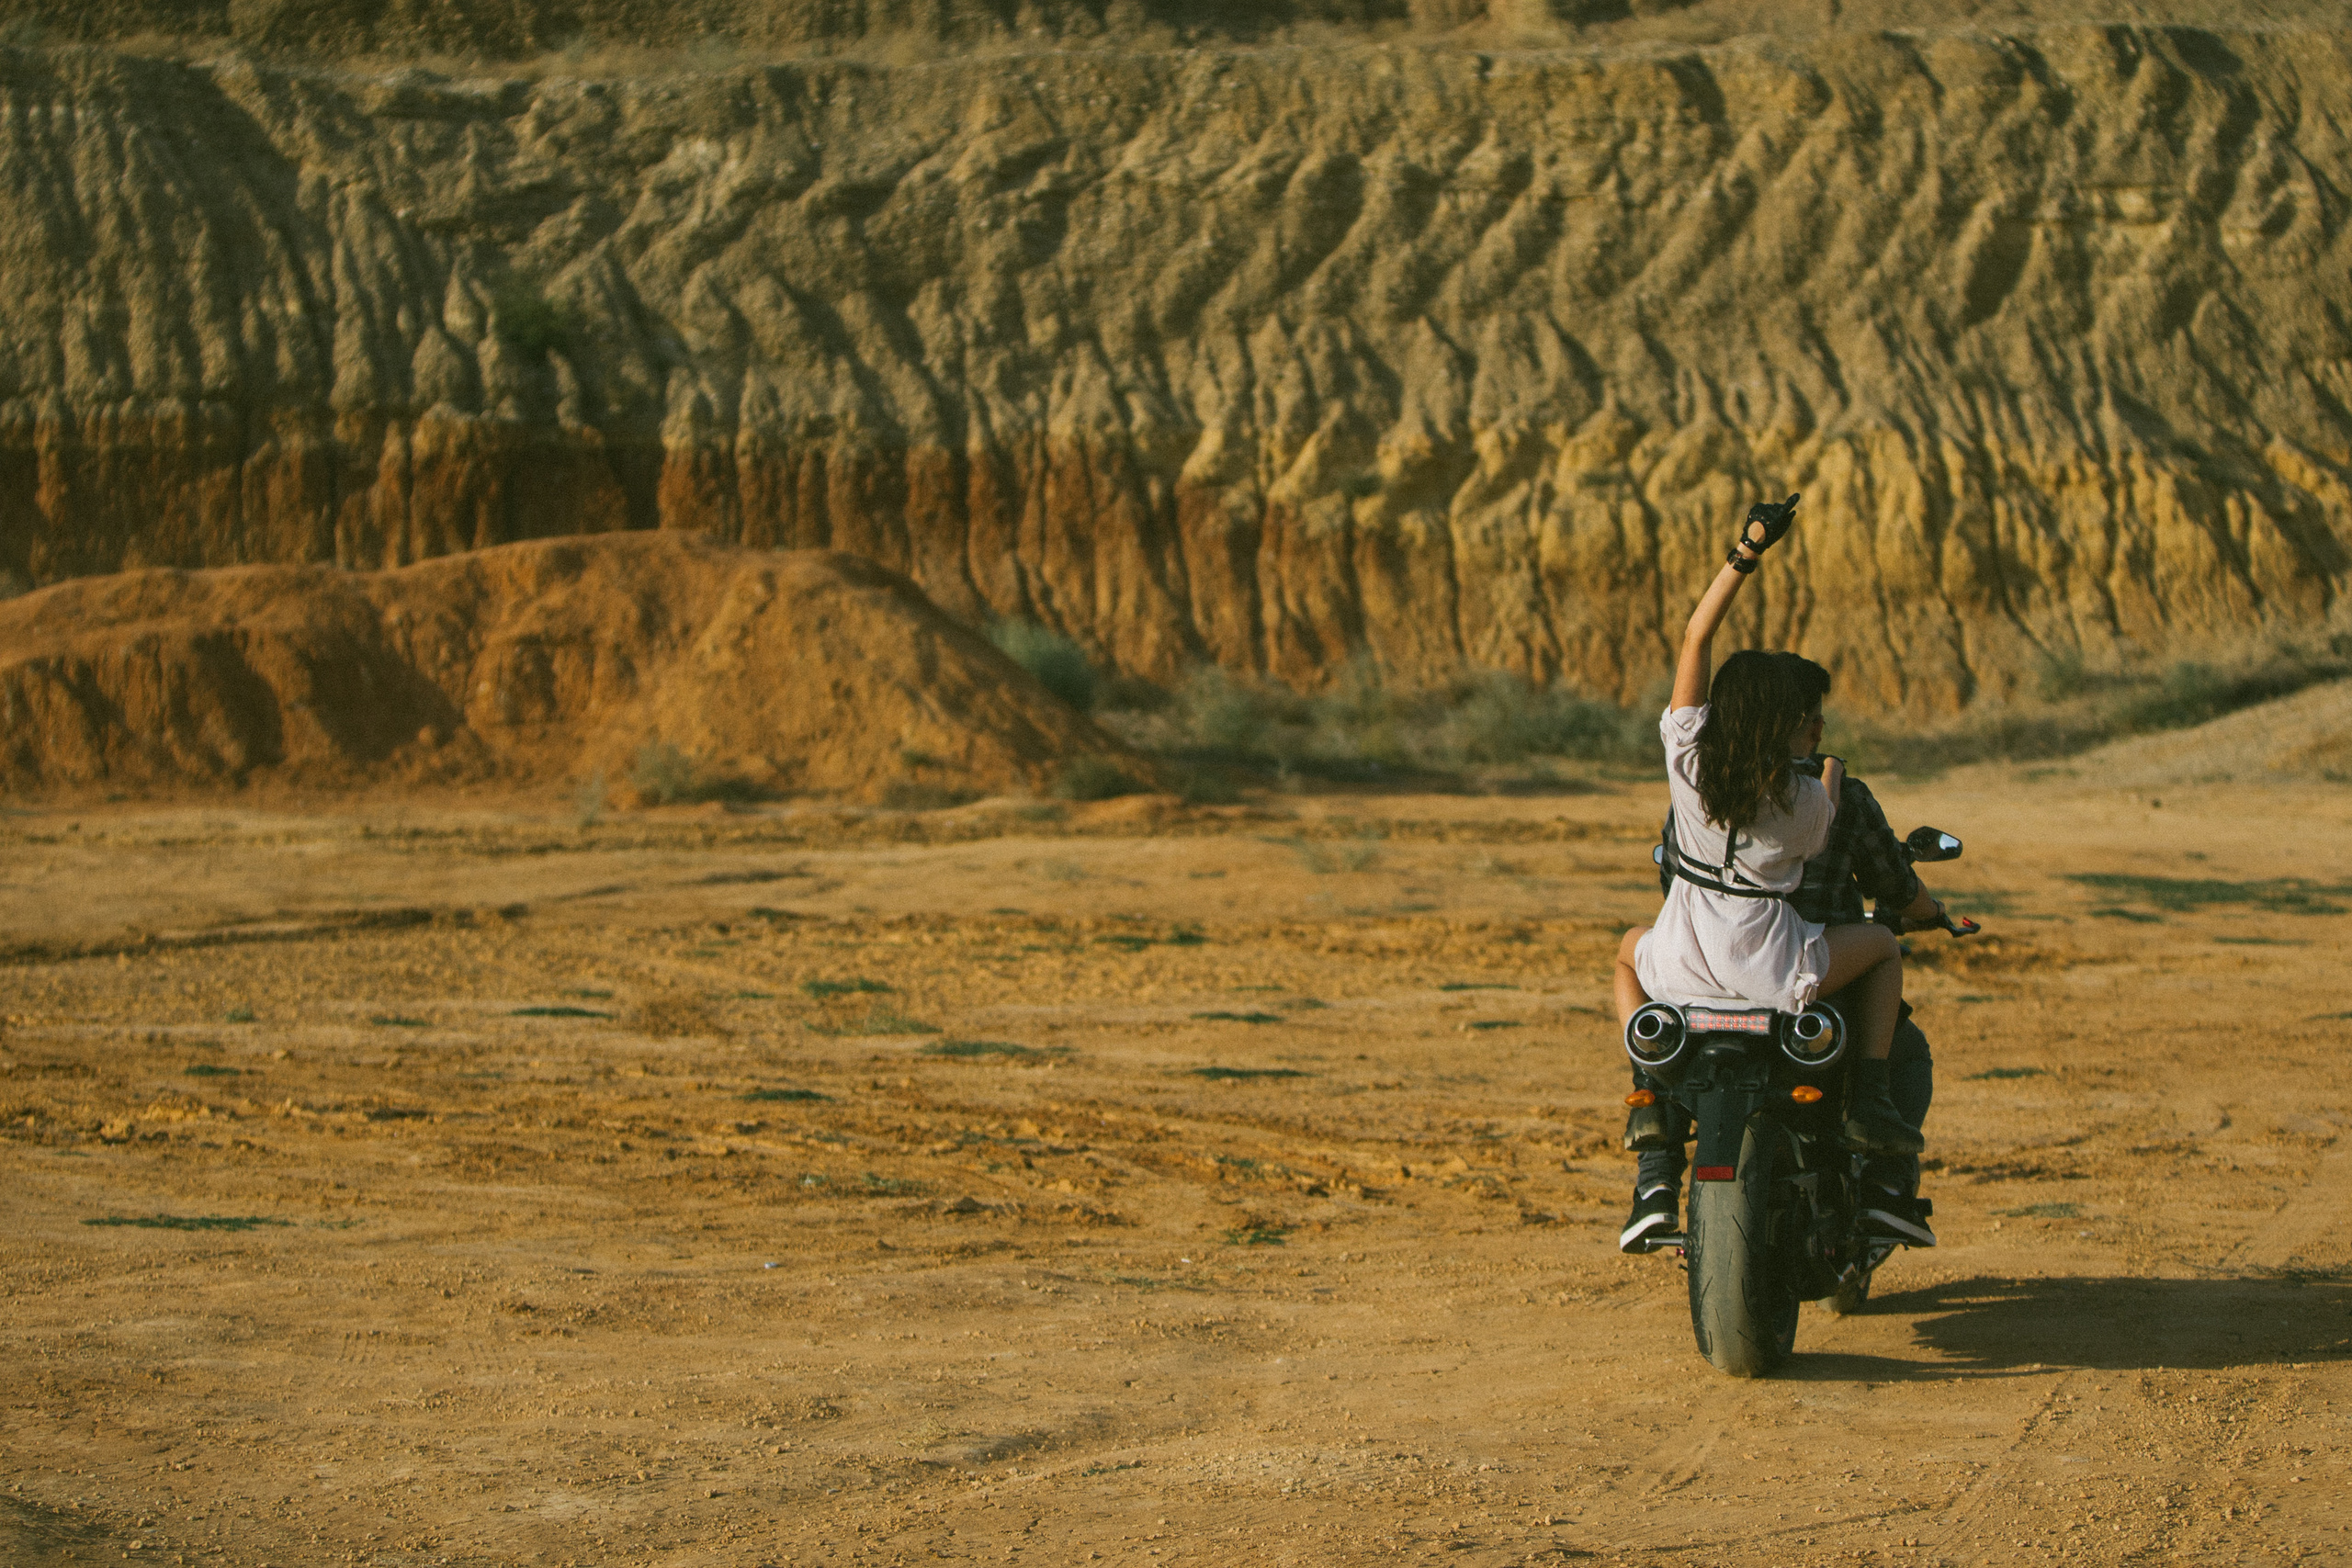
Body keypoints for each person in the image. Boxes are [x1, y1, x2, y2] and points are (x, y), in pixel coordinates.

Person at [1605, 494, 1920, 1249]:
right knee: (1883, 948)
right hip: (1772, 969)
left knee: (1625, 947)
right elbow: (1828, 812)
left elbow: (1695, 634)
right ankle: (1872, 1096)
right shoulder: (1804, 802)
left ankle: (1647, 1091)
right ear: (1790, 728)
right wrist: (1831, 766)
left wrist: (1744, 552)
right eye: (1807, 722)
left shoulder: (1688, 765)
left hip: (1684, 965)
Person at [1619, 673, 1948, 1251]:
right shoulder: (1824, 801)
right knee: (1904, 1039)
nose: (1819, 727)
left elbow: (1671, 879)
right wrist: (1933, 911)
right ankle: (1884, 1183)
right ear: (1797, 730)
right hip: (1793, 968)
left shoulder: (1697, 790)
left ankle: (1655, 1161)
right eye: (1810, 718)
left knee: (1647, 1005)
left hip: (1698, 975)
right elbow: (1893, 886)